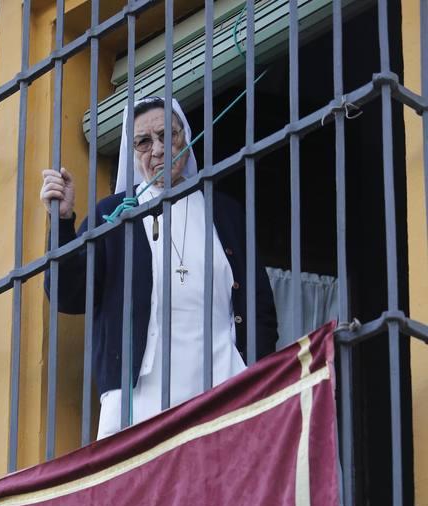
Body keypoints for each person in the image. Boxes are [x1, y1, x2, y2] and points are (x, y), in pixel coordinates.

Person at [40, 97, 277, 439]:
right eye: (144, 141)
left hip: (224, 384)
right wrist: (62, 223)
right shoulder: (113, 214)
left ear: (187, 137)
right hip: (142, 397)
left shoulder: (225, 212)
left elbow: (260, 304)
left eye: (169, 135)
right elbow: (69, 295)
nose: (160, 150)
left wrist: (254, 369)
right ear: (132, 151)